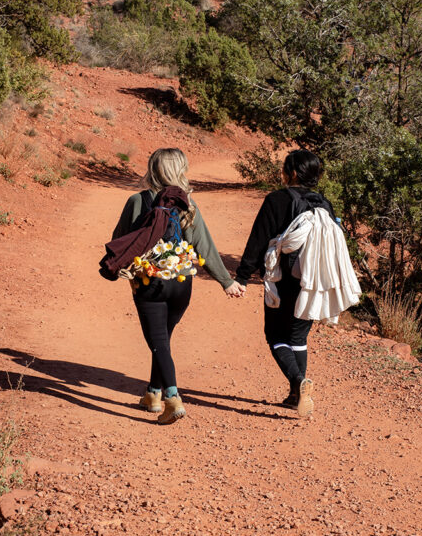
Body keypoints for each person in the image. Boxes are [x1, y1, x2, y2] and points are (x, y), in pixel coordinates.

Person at [111, 148, 245, 425]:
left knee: (159, 342)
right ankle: (152, 394)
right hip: (182, 283)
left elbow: (119, 239)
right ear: (180, 170)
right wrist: (226, 281)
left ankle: (172, 399)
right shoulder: (188, 204)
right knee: (162, 340)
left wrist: (115, 269)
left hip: (149, 281)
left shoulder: (137, 201)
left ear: (152, 168)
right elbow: (204, 245)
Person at [235, 149, 334, 418]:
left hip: (282, 280)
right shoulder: (324, 204)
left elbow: (258, 238)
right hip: (314, 280)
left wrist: (243, 275)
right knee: (299, 336)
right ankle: (294, 396)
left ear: (290, 173)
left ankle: (297, 383)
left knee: (276, 335)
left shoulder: (277, 199)